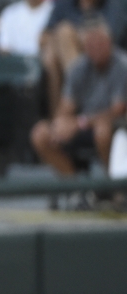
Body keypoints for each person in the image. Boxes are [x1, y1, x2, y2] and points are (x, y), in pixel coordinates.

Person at [31, 20, 127, 177]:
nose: (95, 48)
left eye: (99, 43)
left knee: (102, 130)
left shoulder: (122, 65)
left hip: (113, 126)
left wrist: (80, 122)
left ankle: (112, 186)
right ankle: (76, 187)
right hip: (82, 124)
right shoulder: (78, 68)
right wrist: (60, 125)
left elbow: (118, 110)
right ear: (84, 47)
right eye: (90, 44)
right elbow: (66, 106)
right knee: (40, 133)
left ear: (109, 43)